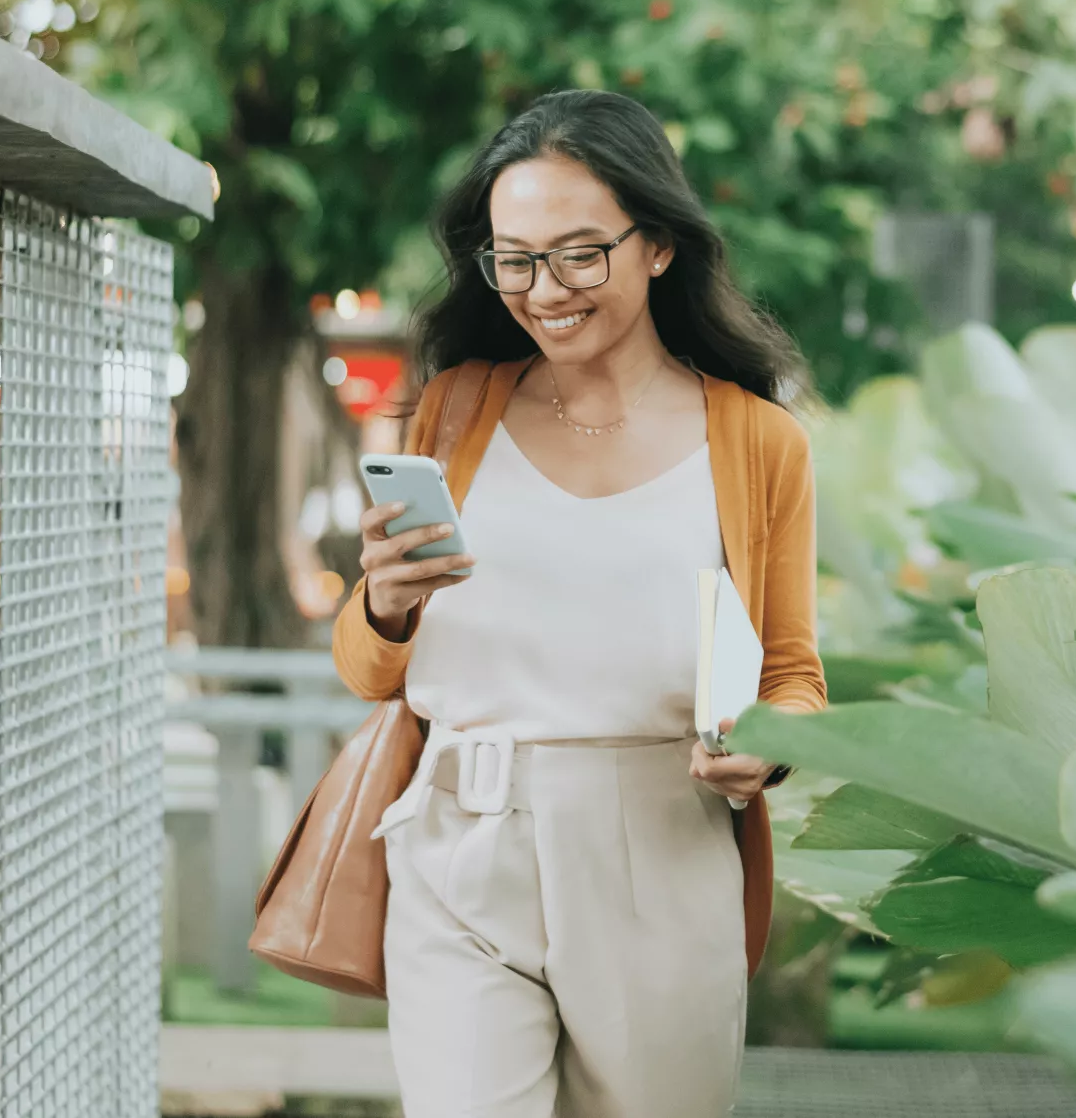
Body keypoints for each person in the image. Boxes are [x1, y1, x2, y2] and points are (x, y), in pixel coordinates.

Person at [331, 89, 827, 1117]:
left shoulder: (754, 441)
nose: (542, 289)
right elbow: (370, 669)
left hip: (660, 840)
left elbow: (791, 675)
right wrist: (379, 605)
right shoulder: (454, 408)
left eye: (577, 254)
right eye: (513, 258)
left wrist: (764, 743)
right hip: (458, 842)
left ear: (657, 247)